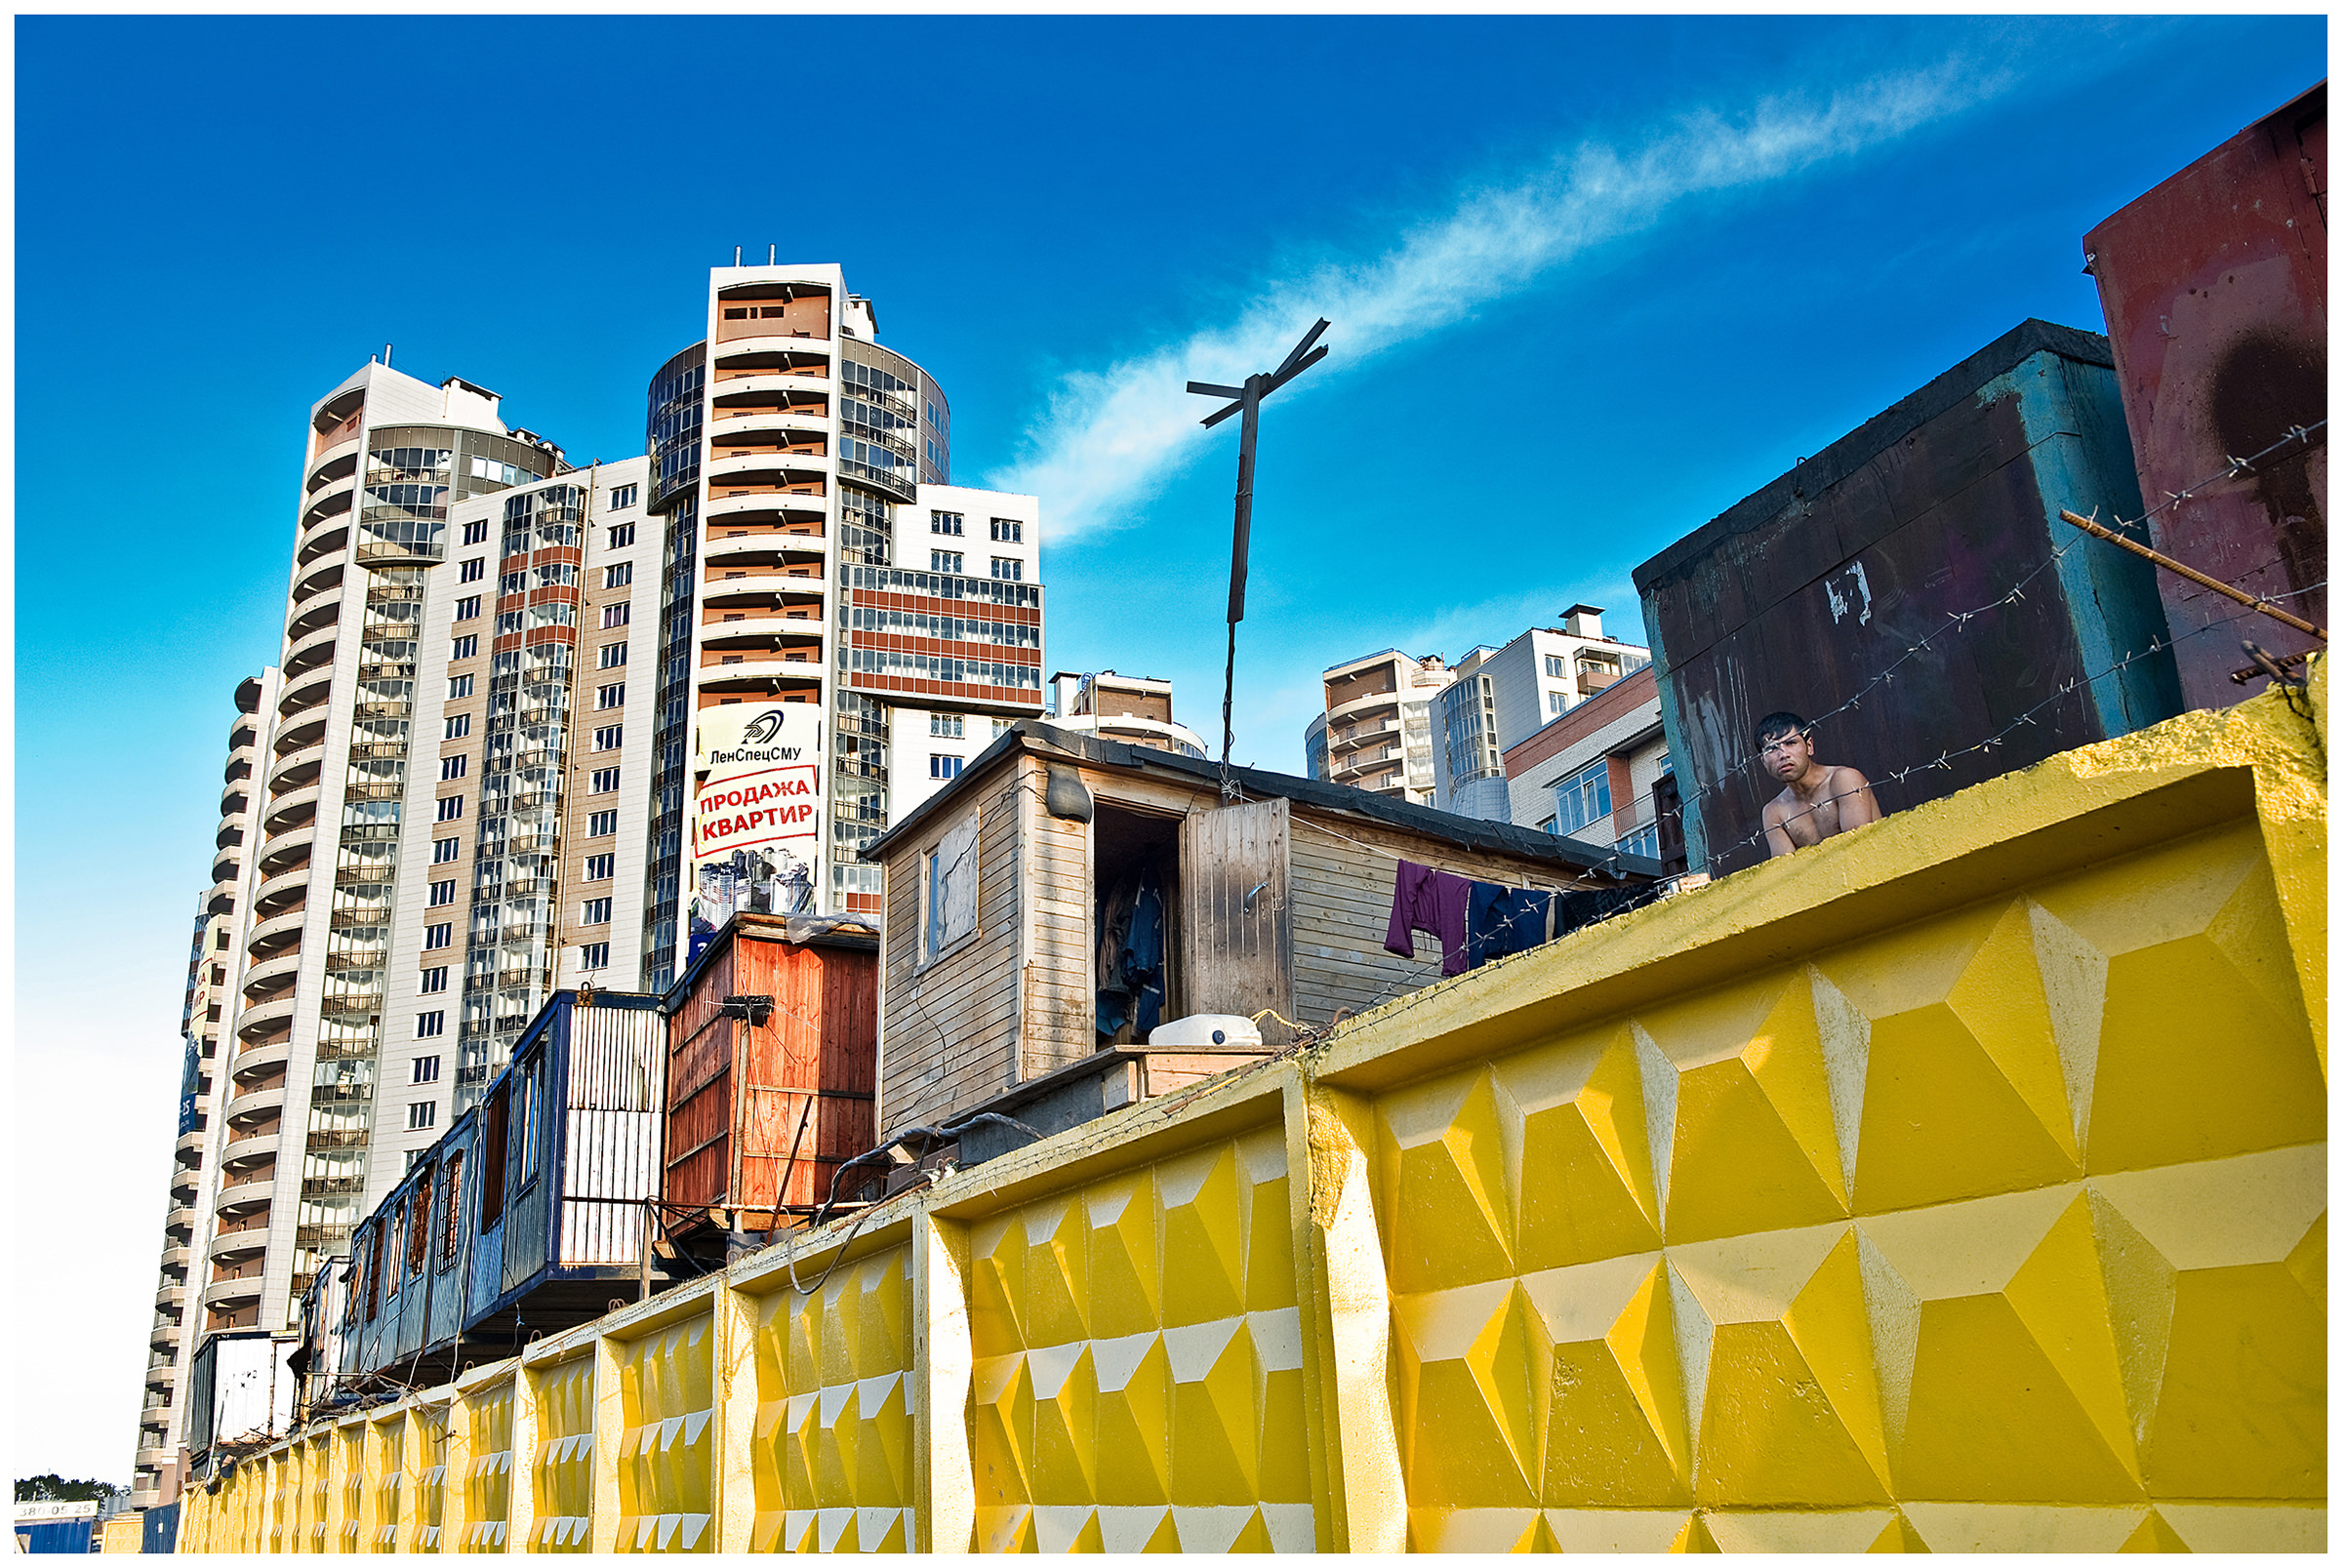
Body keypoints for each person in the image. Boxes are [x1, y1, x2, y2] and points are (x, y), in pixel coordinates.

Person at [1756, 711, 1879, 857]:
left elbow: (1861, 850)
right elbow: (1788, 872)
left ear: (1809, 746)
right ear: (1763, 761)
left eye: (1790, 743)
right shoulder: (1774, 812)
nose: (1783, 755)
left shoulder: (1843, 780)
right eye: (1771, 749)